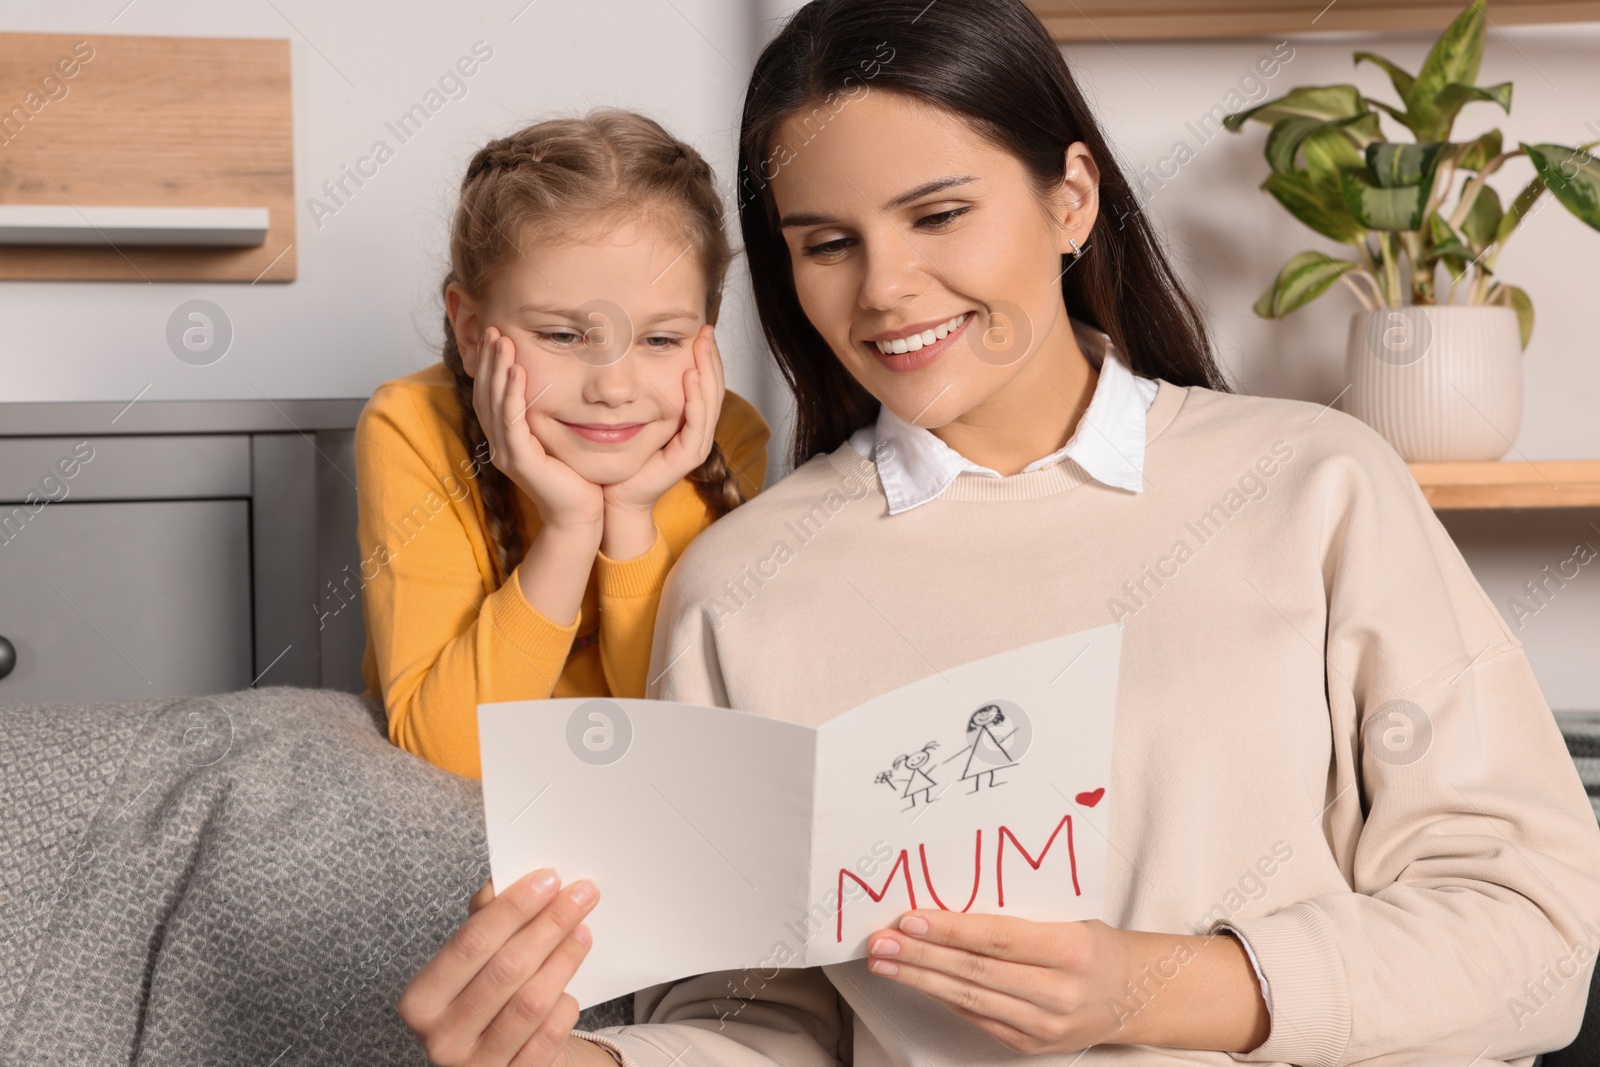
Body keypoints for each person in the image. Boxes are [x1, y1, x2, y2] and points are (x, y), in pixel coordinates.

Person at [396, 0, 1600, 1063]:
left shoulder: (1315, 484)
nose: (884, 290)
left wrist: (1153, 984)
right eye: (826, 243)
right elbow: (774, 1024)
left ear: (1069, 196)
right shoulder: (742, 587)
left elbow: (1532, 930)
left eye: (937, 214)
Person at [354, 111, 771, 780]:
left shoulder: (722, 435)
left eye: (660, 340)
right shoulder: (409, 425)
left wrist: (631, 518)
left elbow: (674, 735)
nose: (613, 388)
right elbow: (450, 753)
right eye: (562, 336)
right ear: (469, 328)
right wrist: (571, 524)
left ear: (706, 335)